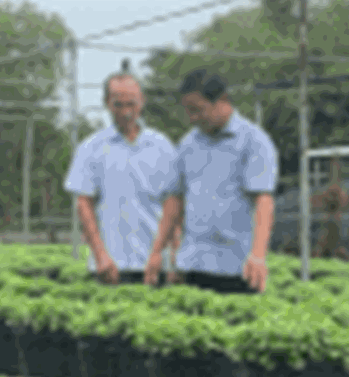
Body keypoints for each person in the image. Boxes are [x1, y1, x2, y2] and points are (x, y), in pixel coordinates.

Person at [144, 69, 278, 294]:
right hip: (193, 265)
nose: (193, 118)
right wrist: (157, 251)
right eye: (188, 112)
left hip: (238, 268)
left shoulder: (254, 142)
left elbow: (264, 200)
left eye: (198, 110)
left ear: (222, 101)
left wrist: (258, 256)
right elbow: (174, 200)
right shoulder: (188, 145)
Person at [64, 73, 181, 285]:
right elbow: (83, 204)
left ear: (142, 101)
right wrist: (100, 255)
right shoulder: (91, 148)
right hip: (110, 265)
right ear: (107, 104)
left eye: (132, 104)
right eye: (119, 105)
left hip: (155, 264)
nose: (126, 112)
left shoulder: (162, 146)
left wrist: (175, 252)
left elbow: (173, 202)